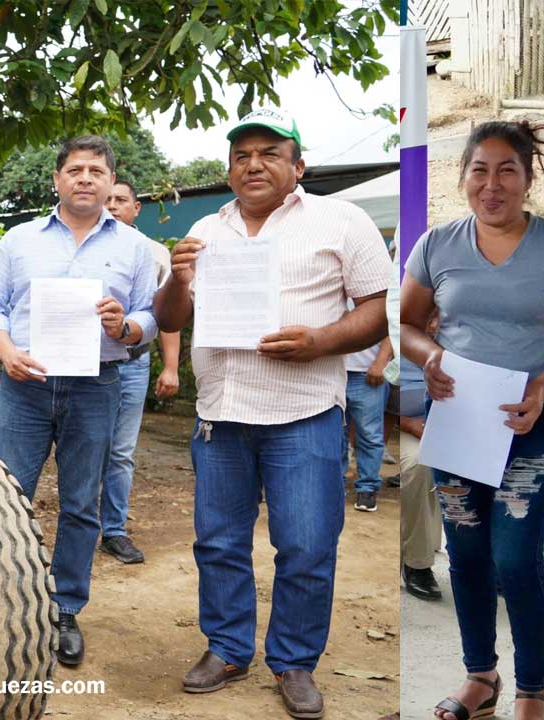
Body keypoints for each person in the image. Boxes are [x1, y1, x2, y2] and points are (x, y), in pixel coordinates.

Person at [154, 107, 392, 719]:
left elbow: (375, 311)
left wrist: (320, 341)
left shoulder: (342, 220)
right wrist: (178, 278)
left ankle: (293, 661)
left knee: (308, 545)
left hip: (305, 412)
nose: (253, 164)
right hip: (221, 416)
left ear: (298, 165)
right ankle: (229, 648)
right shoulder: (207, 229)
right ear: (230, 169)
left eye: (269, 153)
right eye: (241, 155)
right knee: (219, 543)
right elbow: (171, 318)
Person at [401, 121, 544, 720]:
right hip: (460, 419)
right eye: (479, 171)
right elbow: (409, 325)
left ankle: (533, 689)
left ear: (527, 176)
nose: (492, 185)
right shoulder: (437, 243)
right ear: (463, 176)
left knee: (515, 558)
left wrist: (543, 386)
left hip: (531, 423)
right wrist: (430, 356)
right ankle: (480, 677)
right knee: (465, 554)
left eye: (506, 170)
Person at [0, 135, 157, 667]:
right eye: (74, 169)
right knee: (8, 499)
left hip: (97, 385)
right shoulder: (19, 240)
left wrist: (124, 327)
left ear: (110, 182)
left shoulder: (133, 247)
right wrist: (5, 352)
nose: (84, 178)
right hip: (25, 384)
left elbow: (151, 318)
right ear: (56, 179)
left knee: (81, 504)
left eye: (95, 171)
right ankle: (5, 602)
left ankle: (65, 609)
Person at [97, 181, 181, 564]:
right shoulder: (83, 243)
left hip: (133, 363)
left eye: (121, 201)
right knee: (81, 449)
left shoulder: (154, 252)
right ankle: (77, 526)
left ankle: (113, 530)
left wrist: (172, 368)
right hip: (87, 366)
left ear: (136, 209)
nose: (113, 206)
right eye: (108, 199)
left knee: (120, 452)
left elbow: (166, 317)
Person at [399, 310, 445, 601]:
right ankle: (417, 564)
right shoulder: (393, 344)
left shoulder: (452, 344)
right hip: (403, 424)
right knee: (418, 464)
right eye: (425, 315)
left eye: (437, 316)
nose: (431, 324)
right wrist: (409, 424)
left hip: (443, 424)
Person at [344, 324, 394, 512]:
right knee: (333, 434)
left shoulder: (383, 293)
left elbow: (391, 326)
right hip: (331, 371)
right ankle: (335, 485)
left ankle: (367, 489)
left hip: (368, 371)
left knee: (370, 435)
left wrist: (381, 362)